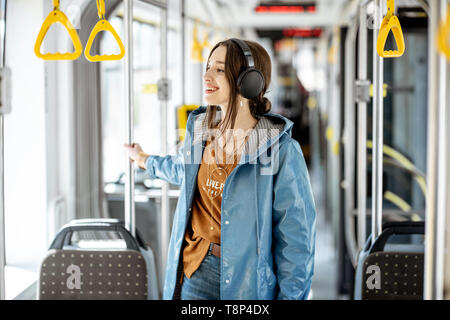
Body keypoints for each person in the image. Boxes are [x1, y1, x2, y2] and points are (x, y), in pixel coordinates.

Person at [124, 38, 316, 300]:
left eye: (219, 69)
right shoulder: (201, 129)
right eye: (207, 67)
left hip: (245, 280)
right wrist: (144, 159)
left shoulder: (279, 150)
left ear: (248, 80)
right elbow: (185, 171)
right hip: (195, 267)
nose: (206, 76)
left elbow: (296, 239)